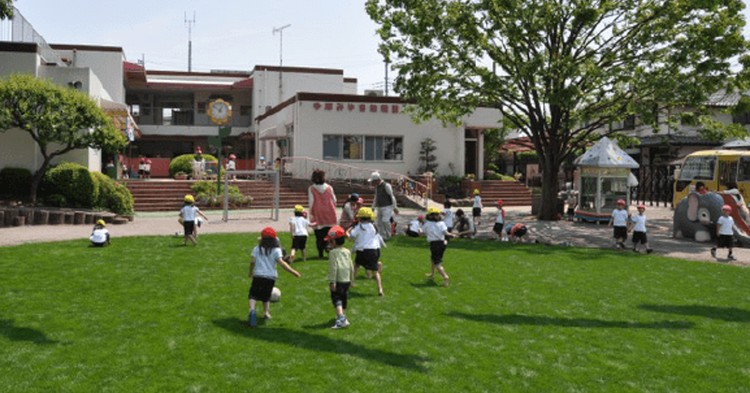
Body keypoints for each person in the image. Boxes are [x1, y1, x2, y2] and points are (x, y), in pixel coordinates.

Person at [248, 227, 301, 327]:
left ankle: (252, 310)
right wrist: (293, 272)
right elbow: (282, 263)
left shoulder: (257, 248)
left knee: (253, 295)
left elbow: (252, 262)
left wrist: (250, 272)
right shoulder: (276, 250)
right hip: (270, 277)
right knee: (266, 296)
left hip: (258, 275)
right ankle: (266, 313)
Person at [347, 207, 384, 296]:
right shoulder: (373, 226)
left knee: (356, 265)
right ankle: (380, 289)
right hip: (375, 250)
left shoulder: (359, 227)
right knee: (375, 271)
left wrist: (347, 232)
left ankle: (352, 282)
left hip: (363, 250)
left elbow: (351, 236)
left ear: (360, 217)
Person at [325, 225, 354, 329]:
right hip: (346, 279)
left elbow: (333, 267)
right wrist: (352, 279)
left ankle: (341, 319)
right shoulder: (347, 251)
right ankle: (342, 317)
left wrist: (332, 281)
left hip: (338, 279)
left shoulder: (333, 253)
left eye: (330, 241)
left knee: (336, 298)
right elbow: (351, 265)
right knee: (343, 297)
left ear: (333, 242)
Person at [308, 169, 338, 259]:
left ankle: (320, 253)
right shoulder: (329, 187)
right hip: (330, 213)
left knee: (319, 235)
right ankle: (330, 249)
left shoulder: (311, 188)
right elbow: (334, 200)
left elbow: (311, 201)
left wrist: (311, 213)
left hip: (318, 213)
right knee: (331, 234)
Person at [423, 207, 455, 286]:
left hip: (434, 244)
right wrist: (451, 235)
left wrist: (420, 231)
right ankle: (432, 274)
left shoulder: (426, 224)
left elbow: (422, 233)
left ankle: (445, 277)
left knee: (437, 263)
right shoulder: (442, 223)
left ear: (429, 216)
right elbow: (446, 233)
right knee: (433, 258)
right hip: (442, 244)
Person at [369, 171, 398, 241]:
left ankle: (388, 235)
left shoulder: (386, 185)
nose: (371, 183)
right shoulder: (376, 187)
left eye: (373, 181)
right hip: (379, 207)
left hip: (387, 207)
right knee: (379, 222)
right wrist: (373, 207)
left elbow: (392, 196)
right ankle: (381, 236)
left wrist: (395, 207)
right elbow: (376, 197)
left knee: (385, 221)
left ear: (377, 180)